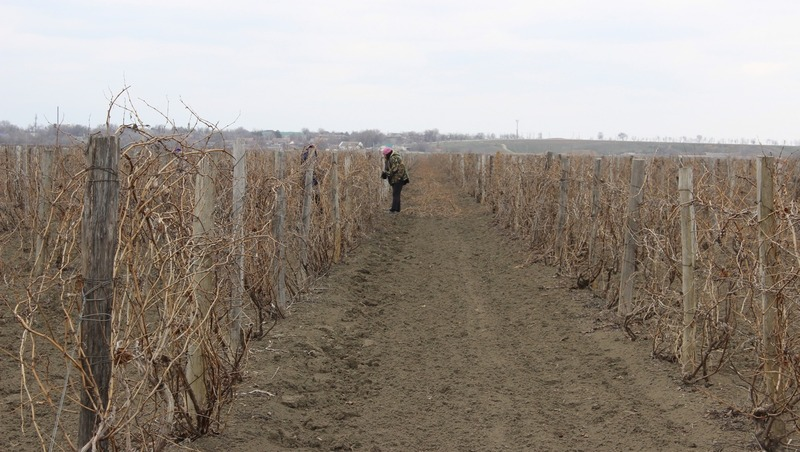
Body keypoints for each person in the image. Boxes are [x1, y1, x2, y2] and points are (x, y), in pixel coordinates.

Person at [381, 146, 410, 212]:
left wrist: (387, 173)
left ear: (387, 154)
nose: (384, 156)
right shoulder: (389, 158)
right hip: (396, 178)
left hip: (399, 178)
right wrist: (385, 173)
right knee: (396, 194)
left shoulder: (394, 158)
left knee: (395, 194)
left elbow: (395, 169)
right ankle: (397, 209)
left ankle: (393, 210)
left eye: (384, 154)